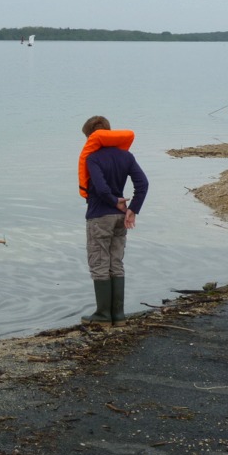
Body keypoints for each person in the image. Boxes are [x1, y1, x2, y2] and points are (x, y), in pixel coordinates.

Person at [80, 116, 148, 326]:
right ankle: (118, 315)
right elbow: (143, 184)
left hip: (100, 216)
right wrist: (132, 209)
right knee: (116, 263)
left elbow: (100, 188)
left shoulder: (92, 158)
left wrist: (113, 201)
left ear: (91, 136)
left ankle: (102, 315)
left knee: (99, 263)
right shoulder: (126, 156)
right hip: (120, 218)